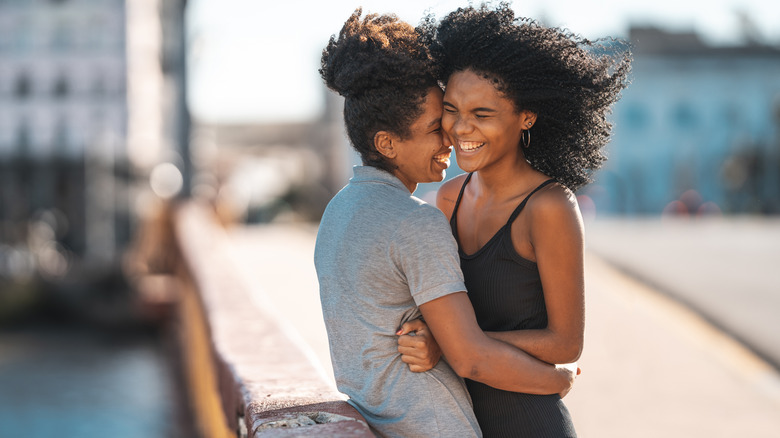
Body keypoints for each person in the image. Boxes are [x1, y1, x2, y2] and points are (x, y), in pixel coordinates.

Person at [314, 9, 576, 438]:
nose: (450, 137)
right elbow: (470, 356)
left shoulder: (337, 212)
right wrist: (559, 380)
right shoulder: (418, 219)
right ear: (387, 143)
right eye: (438, 125)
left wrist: (443, 338)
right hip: (437, 423)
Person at [401, 3, 632, 437]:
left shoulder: (550, 207)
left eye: (482, 114)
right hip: (460, 423)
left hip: (530, 423)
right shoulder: (447, 199)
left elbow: (566, 343)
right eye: (451, 109)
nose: (460, 129)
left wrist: (455, 346)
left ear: (526, 116)